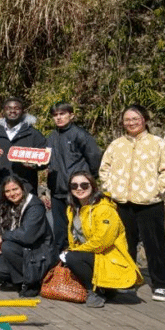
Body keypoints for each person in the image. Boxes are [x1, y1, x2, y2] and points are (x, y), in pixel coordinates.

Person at [99, 105, 165, 302]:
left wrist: (156, 190)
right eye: (127, 119)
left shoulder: (158, 144)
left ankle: (160, 284)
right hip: (122, 203)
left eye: (135, 118)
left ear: (145, 119)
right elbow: (104, 169)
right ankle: (127, 281)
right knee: (125, 245)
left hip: (150, 203)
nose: (131, 122)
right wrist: (110, 189)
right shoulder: (116, 145)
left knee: (155, 245)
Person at [63, 171, 143, 307]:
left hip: (108, 256)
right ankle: (103, 289)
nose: (79, 188)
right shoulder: (72, 209)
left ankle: (95, 291)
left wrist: (74, 251)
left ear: (93, 186)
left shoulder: (105, 209)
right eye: (74, 186)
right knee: (62, 256)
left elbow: (102, 242)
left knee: (71, 257)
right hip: (90, 254)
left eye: (84, 185)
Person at [46, 102, 102, 252]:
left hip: (78, 191)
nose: (58, 118)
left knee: (79, 227)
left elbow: (95, 158)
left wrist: (87, 181)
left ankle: (81, 257)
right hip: (57, 191)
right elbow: (44, 160)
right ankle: (60, 260)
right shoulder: (51, 137)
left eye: (62, 114)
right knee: (60, 230)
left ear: (71, 115)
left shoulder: (80, 134)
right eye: (55, 115)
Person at [0, 176, 54, 297]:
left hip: (39, 252)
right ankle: (23, 282)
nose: (12, 194)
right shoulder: (6, 206)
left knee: (7, 246)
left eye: (15, 189)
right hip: (21, 250)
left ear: (22, 188)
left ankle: (32, 283)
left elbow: (27, 236)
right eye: (7, 191)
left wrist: (4, 236)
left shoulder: (34, 206)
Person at [0, 97, 47, 196]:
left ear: (23, 111)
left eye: (17, 108)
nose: (12, 111)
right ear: (3, 111)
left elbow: (45, 160)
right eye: (9, 108)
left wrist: (34, 164)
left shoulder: (33, 134)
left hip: (26, 189)